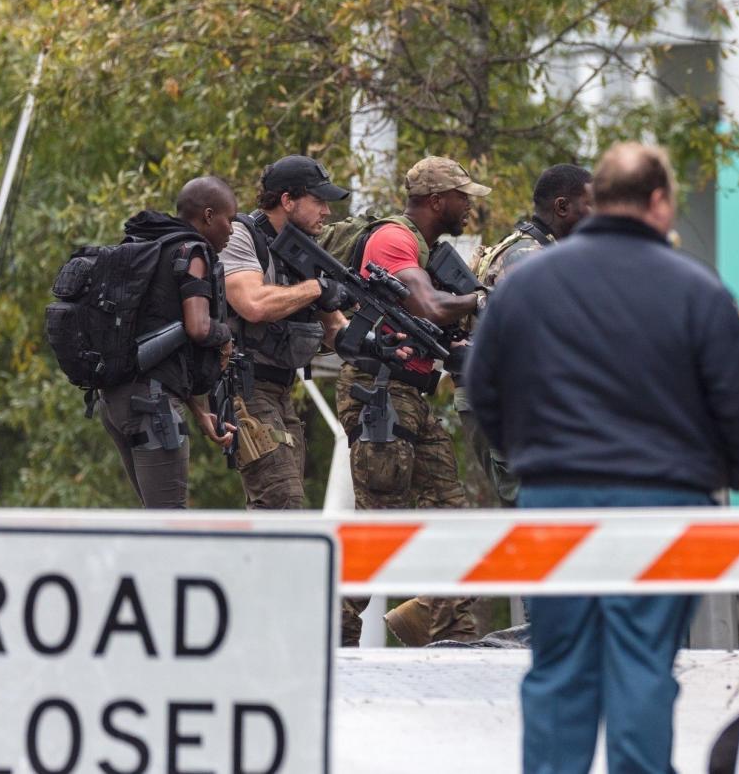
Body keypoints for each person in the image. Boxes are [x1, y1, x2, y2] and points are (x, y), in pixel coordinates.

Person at [465, 142, 739, 774]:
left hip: (554, 498)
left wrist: (531, 458)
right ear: (659, 202)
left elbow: (482, 387)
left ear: (599, 199)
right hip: (663, 504)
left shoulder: (526, 284)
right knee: (642, 665)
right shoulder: (697, 288)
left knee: (559, 667)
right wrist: (726, 474)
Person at [336, 155, 489, 648]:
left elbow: (432, 321)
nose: (469, 206)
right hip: (382, 393)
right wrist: (483, 299)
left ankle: (452, 639)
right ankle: (325, 631)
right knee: (380, 529)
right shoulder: (393, 239)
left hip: (412, 397)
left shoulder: (427, 250)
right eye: (463, 197)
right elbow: (425, 305)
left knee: (450, 518)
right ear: (437, 200)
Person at [456, 163, 593, 507]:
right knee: (529, 510)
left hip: (521, 402)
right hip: (511, 404)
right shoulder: (527, 259)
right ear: (562, 207)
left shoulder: (541, 253)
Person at [97, 176, 239, 509]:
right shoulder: (194, 252)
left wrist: (200, 413)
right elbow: (199, 328)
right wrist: (227, 335)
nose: (231, 230)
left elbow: (162, 357)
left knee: (154, 520)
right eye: (228, 220)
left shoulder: (147, 246)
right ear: (207, 216)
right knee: (170, 523)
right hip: (152, 408)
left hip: (116, 401)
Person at [220, 155, 352, 510]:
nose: (327, 211)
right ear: (287, 200)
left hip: (281, 390)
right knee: (282, 503)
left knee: (280, 505)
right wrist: (316, 289)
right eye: (318, 201)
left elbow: (335, 329)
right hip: (245, 389)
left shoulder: (305, 249)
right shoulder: (241, 236)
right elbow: (253, 304)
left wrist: (382, 343)